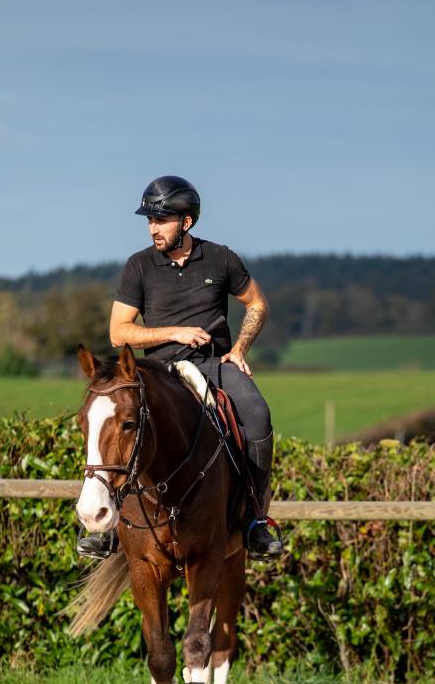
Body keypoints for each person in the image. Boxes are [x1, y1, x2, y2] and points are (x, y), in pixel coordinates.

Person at [77, 175, 282, 560]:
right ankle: (106, 528)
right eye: (149, 220)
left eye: (162, 220)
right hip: (158, 370)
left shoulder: (221, 258)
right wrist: (175, 332)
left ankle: (255, 521)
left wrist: (239, 348)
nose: (153, 227)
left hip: (214, 364)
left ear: (186, 221)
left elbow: (257, 304)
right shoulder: (138, 266)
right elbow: (119, 333)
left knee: (258, 414)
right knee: (112, 420)